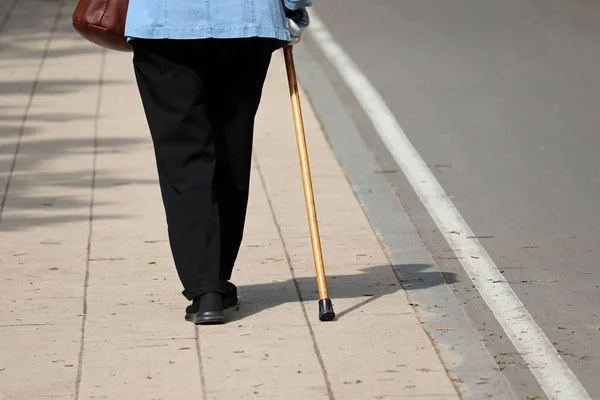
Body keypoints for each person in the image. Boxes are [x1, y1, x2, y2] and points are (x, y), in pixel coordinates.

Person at [124, 0, 311, 324]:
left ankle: (205, 287)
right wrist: (293, 8)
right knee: (232, 146)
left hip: (164, 22)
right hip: (246, 20)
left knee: (183, 156)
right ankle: (217, 278)